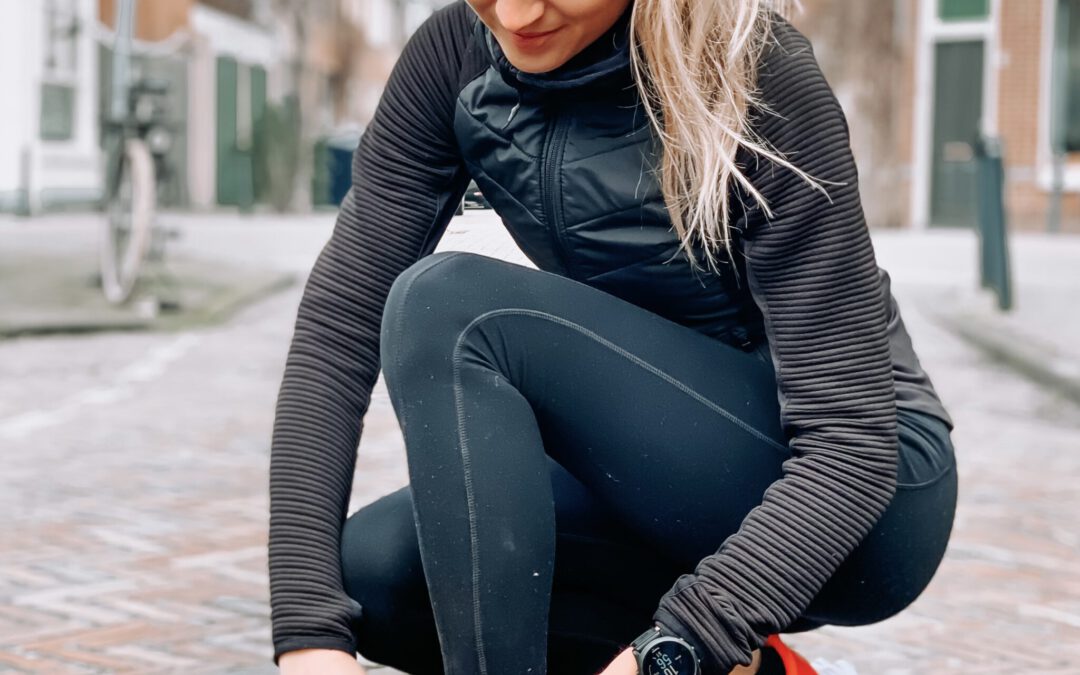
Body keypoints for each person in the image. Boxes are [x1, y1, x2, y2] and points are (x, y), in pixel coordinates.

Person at [269, 0, 958, 674]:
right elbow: (338, 329)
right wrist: (306, 631)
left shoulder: (757, 71)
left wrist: (675, 650)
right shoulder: (452, 58)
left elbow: (850, 449)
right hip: (653, 478)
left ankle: (725, 634)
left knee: (450, 308)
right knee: (375, 575)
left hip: (867, 501)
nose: (514, 15)